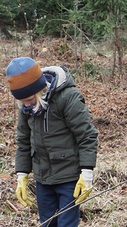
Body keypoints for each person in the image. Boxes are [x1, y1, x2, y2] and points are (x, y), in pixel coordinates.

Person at [6, 57, 98, 227]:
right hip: (43, 179)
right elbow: (23, 141)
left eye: (30, 99)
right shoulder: (26, 108)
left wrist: (87, 173)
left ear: (40, 89)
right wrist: (22, 174)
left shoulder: (67, 98)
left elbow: (87, 136)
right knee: (47, 223)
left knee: (66, 224)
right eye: (22, 101)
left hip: (69, 178)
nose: (26, 104)